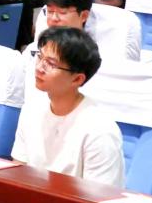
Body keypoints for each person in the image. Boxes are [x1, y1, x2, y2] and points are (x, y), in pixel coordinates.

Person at [11, 27, 123, 187]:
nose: (39, 68)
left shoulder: (100, 130)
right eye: (40, 57)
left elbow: (100, 197)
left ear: (77, 79)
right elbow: (18, 172)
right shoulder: (31, 109)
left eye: (50, 63)